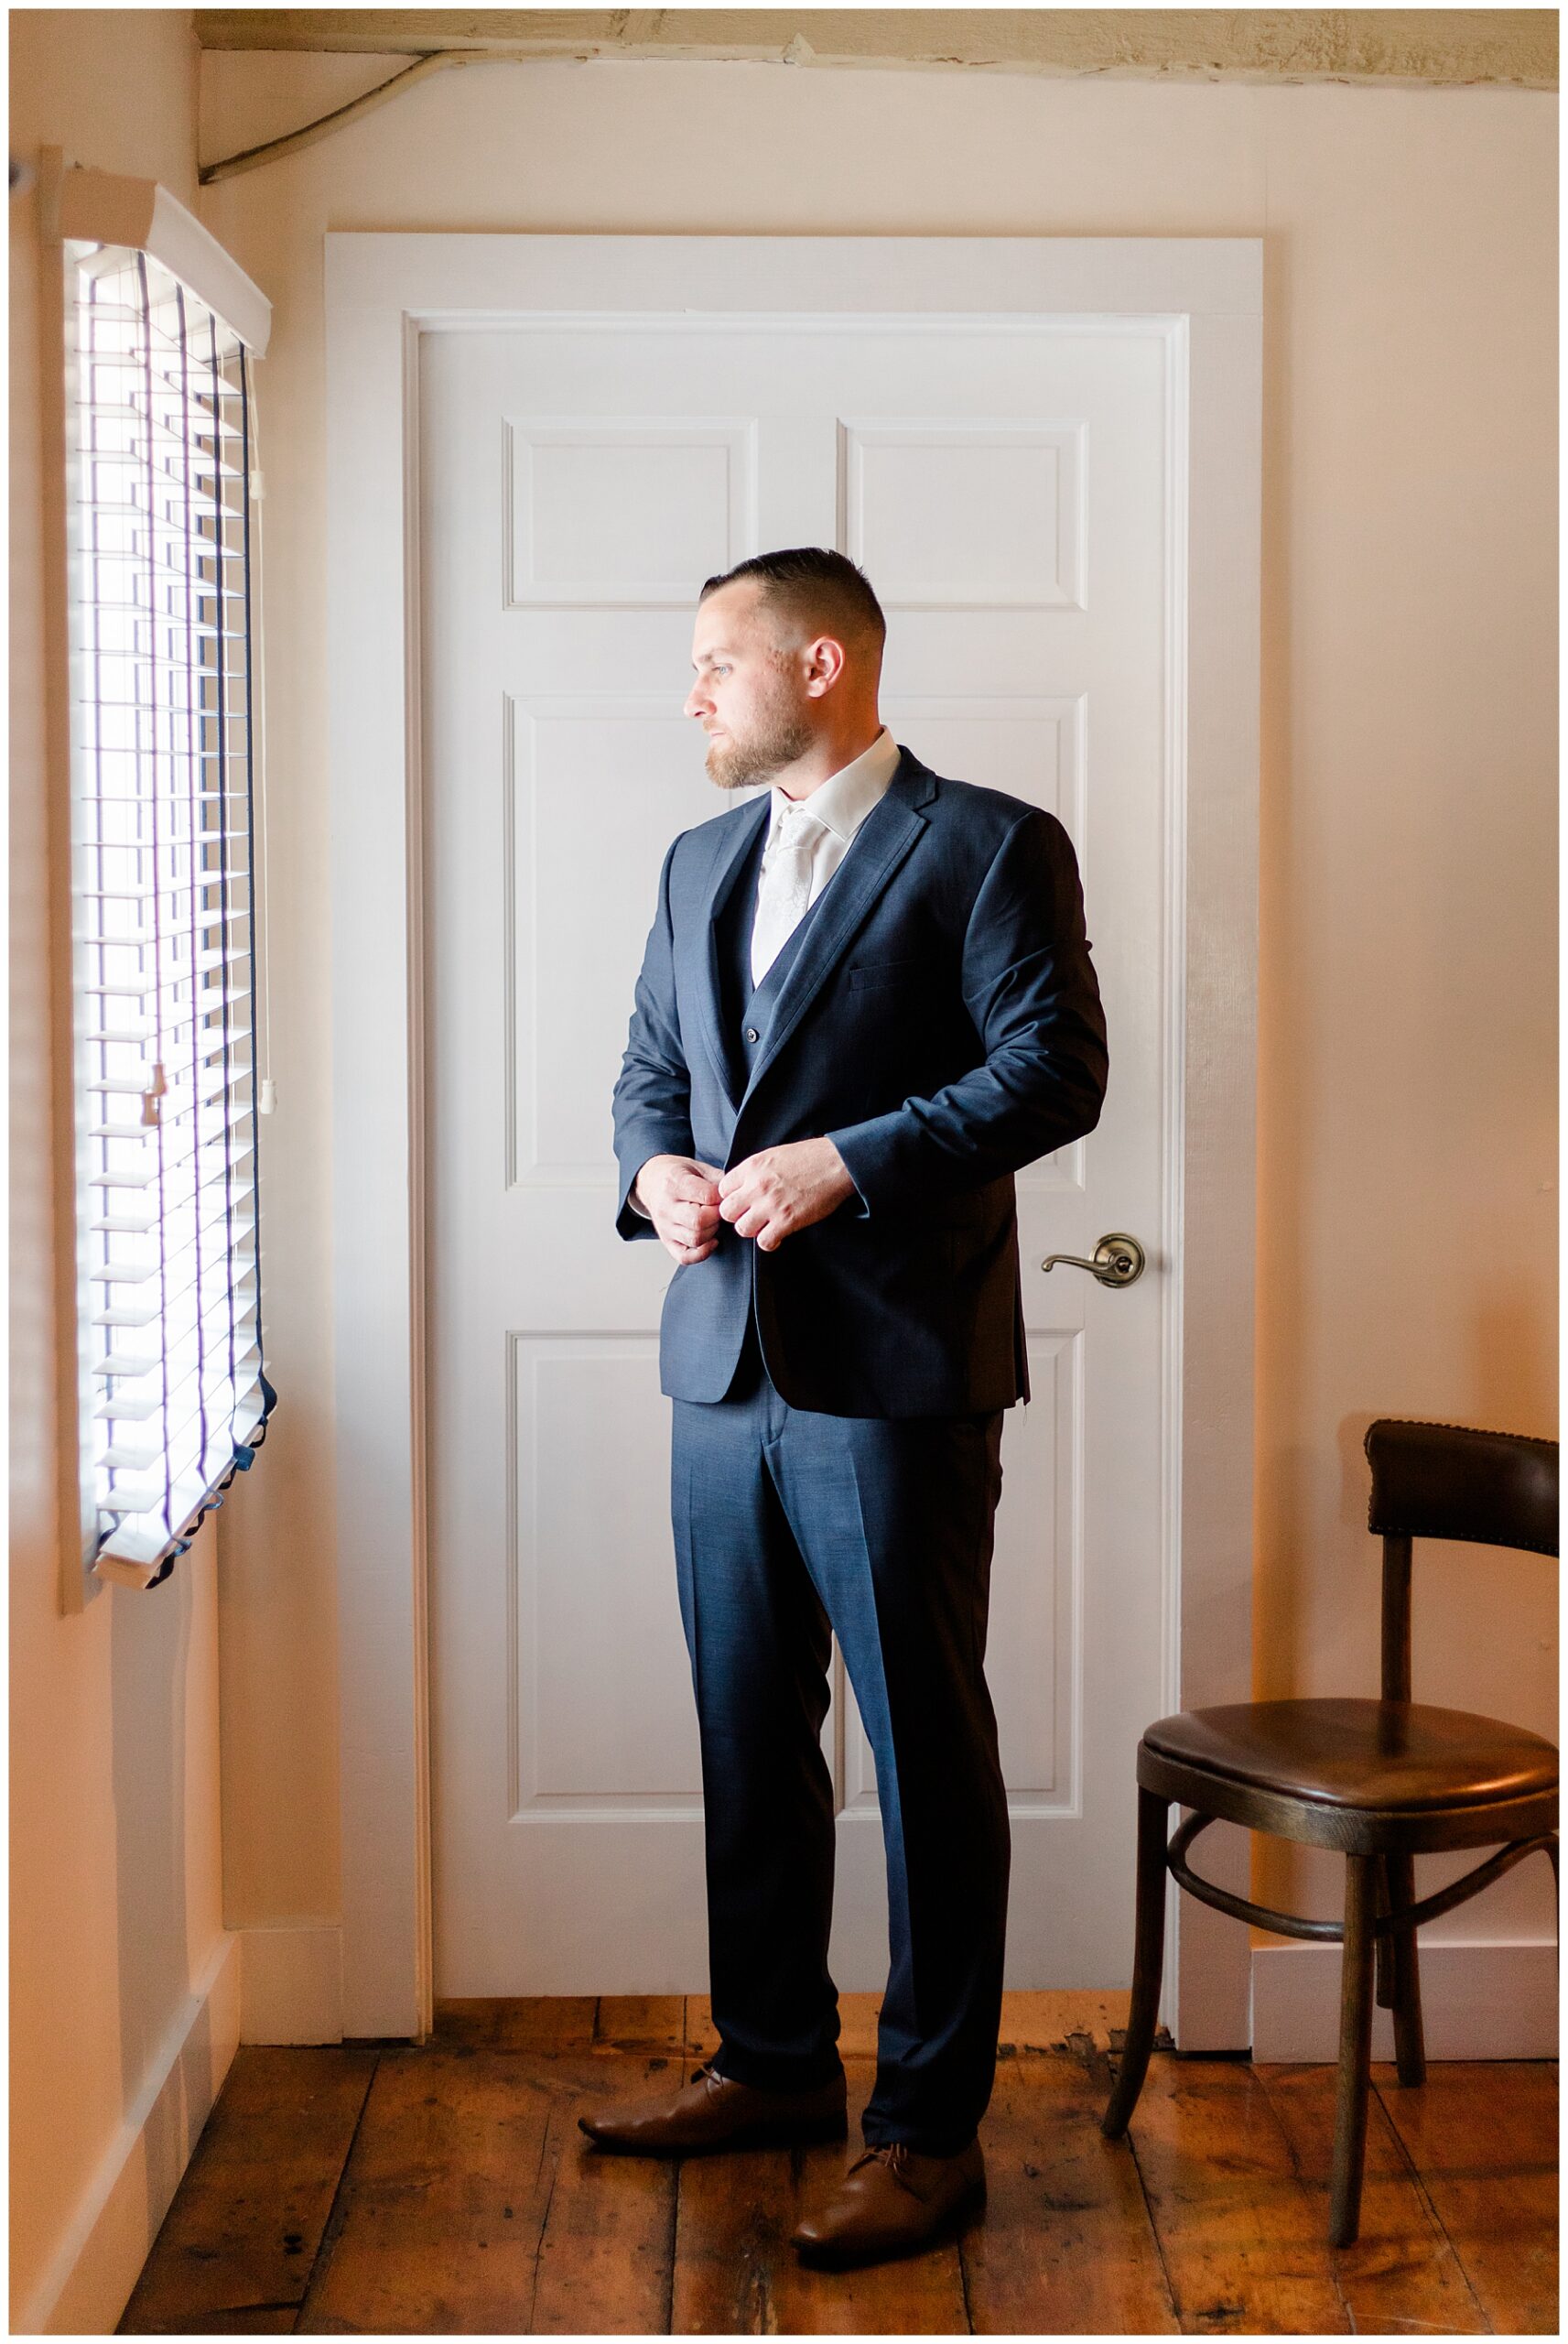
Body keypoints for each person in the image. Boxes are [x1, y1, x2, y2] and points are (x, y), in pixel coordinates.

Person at [583, 547, 1108, 2269]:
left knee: (920, 1751)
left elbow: (1052, 1072)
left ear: (820, 664)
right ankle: (772, 2065)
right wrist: (654, 1168)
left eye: (712, 666)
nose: (691, 696)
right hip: (719, 1362)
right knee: (747, 1736)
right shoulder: (692, 861)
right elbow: (653, 1065)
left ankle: (925, 2132)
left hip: (895, 1377)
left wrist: (846, 1166)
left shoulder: (987, 844)